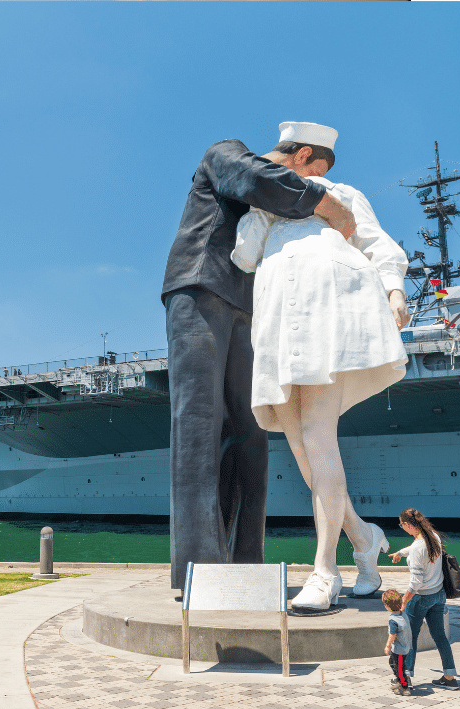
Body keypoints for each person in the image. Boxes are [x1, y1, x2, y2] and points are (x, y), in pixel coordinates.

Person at [162, 121, 357, 591]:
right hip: (200, 287)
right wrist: (334, 208)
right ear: (302, 154)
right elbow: (260, 179)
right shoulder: (226, 152)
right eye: (314, 173)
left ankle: (246, 562)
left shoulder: (276, 204)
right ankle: (200, 571)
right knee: (198, 427)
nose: (316, 186)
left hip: (250, 307)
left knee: (251, 432)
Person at [230, 123, 409, 609]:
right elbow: (246, 257)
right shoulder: (267, 204)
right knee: (304, 450)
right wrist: (257, 208)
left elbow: (378, 244)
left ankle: (324, 570)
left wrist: (394, 288)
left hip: (328, 315)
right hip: (279, 323)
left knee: (317, 436)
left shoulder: (341, 193)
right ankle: (365, 540)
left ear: (306, 156)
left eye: (280, 157)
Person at [388, 508, 459, 689]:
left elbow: (416, 581)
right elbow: (415, 548)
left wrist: (405, 599)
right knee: (440, 636)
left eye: (401, 525)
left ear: (407, 525)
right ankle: (450, 677)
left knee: (409, 637)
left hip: (421, 598)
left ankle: (406, 677)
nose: (402, 528)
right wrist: (400, 553)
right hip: (439, 595)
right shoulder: (433, 536)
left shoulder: (419, 547)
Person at [383, 588, 412, 696]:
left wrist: (387, 646)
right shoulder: (403, 614)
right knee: (393, 663)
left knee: (400, 669)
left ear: (387, 606)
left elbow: (393, 635)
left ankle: (404, 687)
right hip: (406, 647)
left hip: (399, 650)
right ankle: (400, 681)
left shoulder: (393, 620)